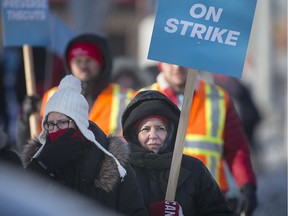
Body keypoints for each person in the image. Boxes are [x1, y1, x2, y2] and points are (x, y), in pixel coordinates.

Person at [140, 62, 258, 216]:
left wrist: (246, 185)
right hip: (161, 201)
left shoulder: (219, 98)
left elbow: (236, 149)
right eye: (170, 61)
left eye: (184, 61)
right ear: (161, 64)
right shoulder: (143, 98)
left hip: (211, 199)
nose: (177, 67)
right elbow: (130, 149)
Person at [21, 75, 147, 215]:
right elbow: (17, 206)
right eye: (50, 124)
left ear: (79, 123)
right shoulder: (38, 159)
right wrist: (41, 165)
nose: (55, 129)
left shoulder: (113, 161)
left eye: (63, 122)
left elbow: (134, 211)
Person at [121, 90, 234, 216]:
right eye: (145, 129)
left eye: (160, 128)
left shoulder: (194, 169)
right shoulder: (122, 171)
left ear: (171, 133)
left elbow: (220, 212)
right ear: (134, 135)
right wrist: (149, 213)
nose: (153, 136)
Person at [19, 33, 135, 143]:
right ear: (70, 65)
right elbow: (35, 143)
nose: (83, 66)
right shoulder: (53, 96)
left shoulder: (126, 97)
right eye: (78, 61)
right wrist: (25, 121)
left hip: (108, 162)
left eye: (89, 60)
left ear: (101, 63)